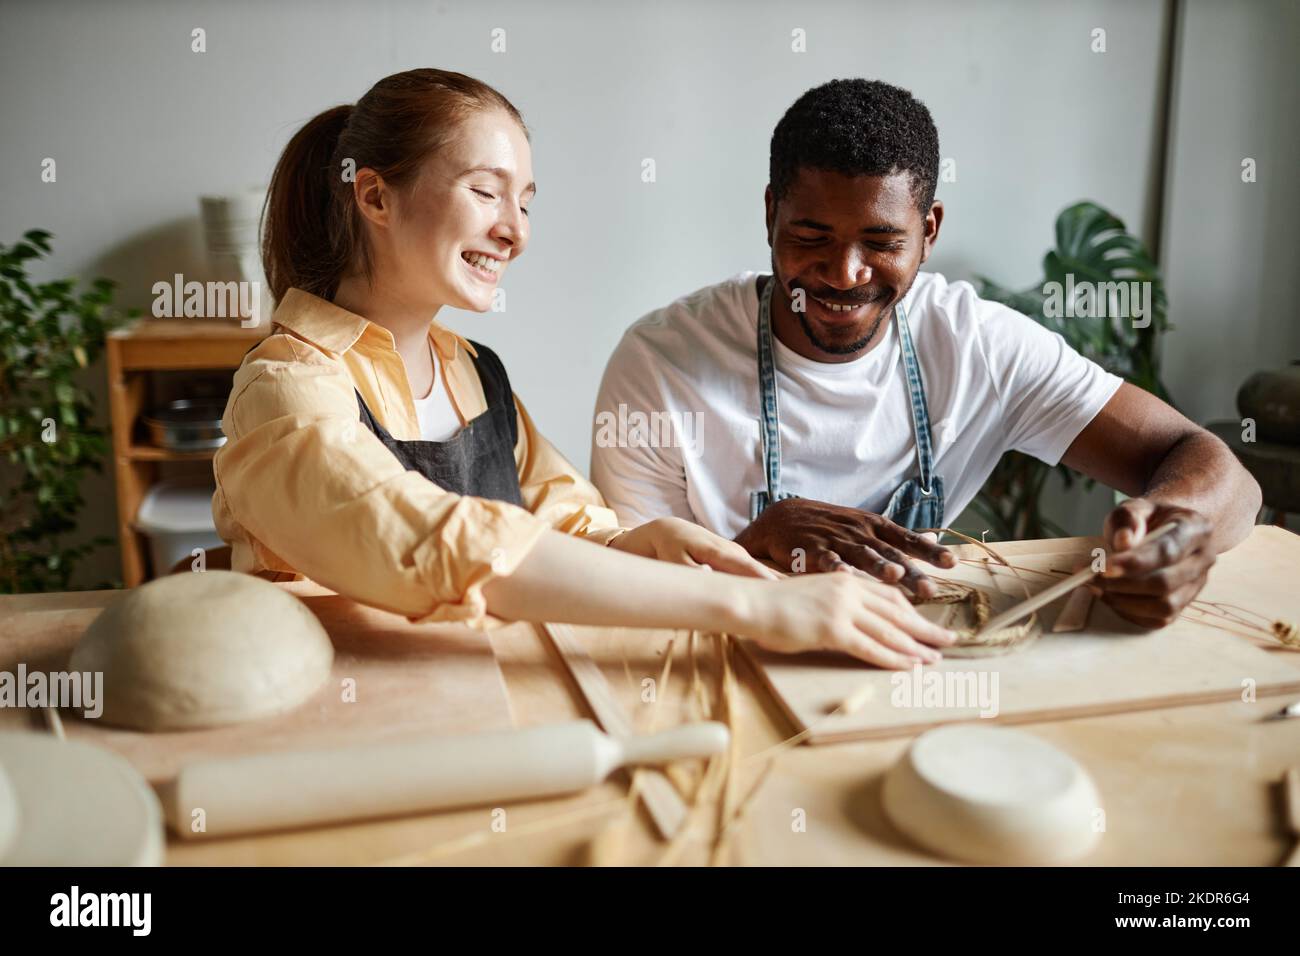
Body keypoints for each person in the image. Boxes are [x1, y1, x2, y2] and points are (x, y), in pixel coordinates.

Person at [211, 69, 955, 670]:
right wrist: (754, 607)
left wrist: (647, 544)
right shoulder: (285, 388)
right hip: (333, 723)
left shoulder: (472, 368)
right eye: (485, 190)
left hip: (475, 694)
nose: (515, 231)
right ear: (374, 194)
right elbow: (433, 541)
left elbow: (563, 520)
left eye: (526, 203)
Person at [591, 78, 1261, 628]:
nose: (845, 272)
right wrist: (752, 548)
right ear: (771, 216)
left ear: (929, 231)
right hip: (734, 666)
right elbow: (621, 599)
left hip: (917, 663)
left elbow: (1221, 473)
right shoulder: (660, 365)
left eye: (881, 241)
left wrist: (1181, 532)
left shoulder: (980, 346)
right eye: (812, 236)